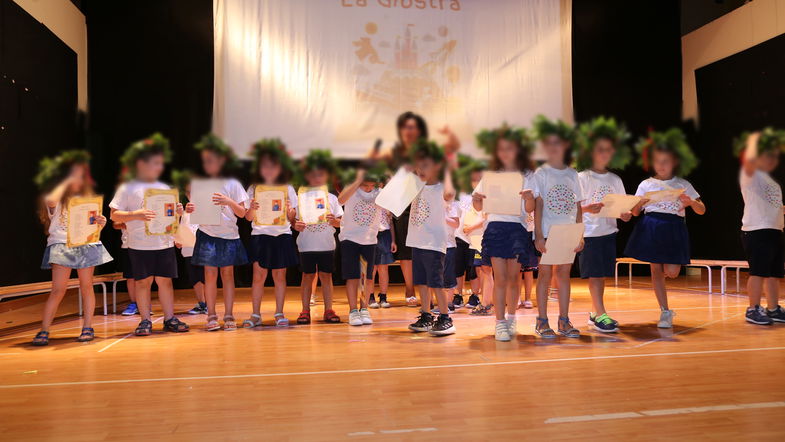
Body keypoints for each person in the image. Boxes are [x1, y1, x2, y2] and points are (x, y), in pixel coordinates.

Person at [109, 133, 191, 336]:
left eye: (159, 163)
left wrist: (178, 212)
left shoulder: (164, 188)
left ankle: (169, 318)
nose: (157, 167)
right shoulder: (128, 187)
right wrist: (135, 214)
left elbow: (170, 218)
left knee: (165, 281)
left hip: (163, 243)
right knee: (143, 282)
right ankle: (145, 320)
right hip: (139, 244)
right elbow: (113, 215)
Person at [625, 128, 705, 328]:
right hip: (651, 226)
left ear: (674, 163)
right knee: (655, 271)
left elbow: (702, 210)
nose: (661, 165)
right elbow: (634, 212)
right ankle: (665, 311)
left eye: (666, 161)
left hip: (673, 227)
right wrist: (641, 202)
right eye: (658, 161)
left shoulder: (682, 183)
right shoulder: (646, 184)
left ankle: (666, 309)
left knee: (672, 271)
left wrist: (690, 203)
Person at [32, 151, 113, 345]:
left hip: (86, 244)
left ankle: (88, 327)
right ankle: (44, 329)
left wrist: (101, 222)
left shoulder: (88, 199)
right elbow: (50, 201)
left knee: (87, 286)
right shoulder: (56, 196)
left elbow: (92, 226)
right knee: (58, 289)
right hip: (61, 244)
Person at [472, 125, 537, 341]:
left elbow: (529, 209)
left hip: (517, 229)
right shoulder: (490, 176)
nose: (506, 152)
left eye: (510, 148)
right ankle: (499, 322)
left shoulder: (527, 175)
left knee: (514, 278)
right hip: (496, 228)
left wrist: (529, 198)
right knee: (499, 278)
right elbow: (478, 205)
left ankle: (511, 318)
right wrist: (477, 198)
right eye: (502, 149)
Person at [575, 117, 633, 332]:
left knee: (601, 275)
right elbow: (572, 209)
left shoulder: (615, 179)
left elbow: (621, 207)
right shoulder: (582, 177)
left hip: (609, 231)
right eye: (600, 150)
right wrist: (588, 209)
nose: (604, 154)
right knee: (595, 275)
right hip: (589, 232)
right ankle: (601, 314)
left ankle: (595, 312)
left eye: (608, 150)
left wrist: (625, 215)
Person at [531, 115, 584, 339]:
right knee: (544, 275)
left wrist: (580, 235)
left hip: (569, 232)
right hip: (549, 232)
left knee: (564, 274)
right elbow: (538, 205)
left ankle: (564, 320)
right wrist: (539, 235)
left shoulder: (573, 174)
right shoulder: (541, 173)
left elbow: (579, 206)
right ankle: (542, 321)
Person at [190, 134, 248, 331]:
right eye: (206, 161)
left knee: (228, 274)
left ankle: (229, 314)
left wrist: (228, 201)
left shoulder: (233, 184)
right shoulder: (200, 184)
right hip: (207, 234)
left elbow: (242, 213)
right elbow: (196, 210)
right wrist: (191, 209)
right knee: (209, 274)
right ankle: (211, 315)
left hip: (229, 235)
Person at [244, 139, 299, 327]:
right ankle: (255, 314)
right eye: (265, 166)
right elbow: (248, 218)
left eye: (273, 166)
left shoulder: (288, 188)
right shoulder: (253, 189)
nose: (269, 170)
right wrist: (251, 208)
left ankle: (279, 313)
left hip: (282, 235)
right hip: (260, 235)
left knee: (280, 276)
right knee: (258, 277)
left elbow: (293, 219)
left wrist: (291, 211)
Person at [406, 140, 458, 336]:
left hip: (433, 242)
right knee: (421, 280)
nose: (421, 169)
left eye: (425, 165)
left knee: (436, 281)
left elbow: (450, 193)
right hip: (416, 240)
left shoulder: (442, 187)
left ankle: (445, 317)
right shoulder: (416, 186)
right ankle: (426, 315)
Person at [735, 129, 785, 324]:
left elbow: (773, 206)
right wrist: (756, 139)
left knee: (774, 274)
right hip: (756, 231)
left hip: (774, 230)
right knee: (758, 272)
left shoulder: (771, 181)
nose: (771, 159)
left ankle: (773, 309)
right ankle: (752, 308)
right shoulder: (750, 175)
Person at [293, 150, 343, 324]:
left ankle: (329, 310)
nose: (316, 178)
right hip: (306, 244)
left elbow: (340, 222)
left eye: (320, 174)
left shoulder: (331, 198)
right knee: (307, 276)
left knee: (326, 276)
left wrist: (334, 221)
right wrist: (295, 225)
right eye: (313, 174)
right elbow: (294, 221)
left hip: (326, 244)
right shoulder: (301, 198)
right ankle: (305, 310)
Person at [337, 168, 384, 326]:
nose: (369, 188)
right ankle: (353, 311)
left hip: (369, 239)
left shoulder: (379, 192)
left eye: (372, 185)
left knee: (367, 277)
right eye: (365, 185)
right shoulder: (352, 188)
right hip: (350, 238)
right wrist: (357, 180)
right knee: (352, 276)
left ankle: (364, 309)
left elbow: (396, 202)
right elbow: (341, 200)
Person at [171, 170, 206, 315]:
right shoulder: (184, 212)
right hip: (188, 250)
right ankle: (202, 303)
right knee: (195, 278)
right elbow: (180, 228)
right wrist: (178, 240)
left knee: (205, 277)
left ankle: (208, 303)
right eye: (189, 192)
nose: (192, 195)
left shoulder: (206, 209)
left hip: (203, 249)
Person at [454, 157, 484, 309]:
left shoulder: (483, 193)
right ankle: (458, 295)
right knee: (458, 268)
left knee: (474, 269)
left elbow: (486, 216)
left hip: (476, 237)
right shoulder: (459, 193)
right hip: (459, 236)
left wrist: (471, 228)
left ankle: (475, 295)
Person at [369, 206, 396, 309]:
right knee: (371, 269)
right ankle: (370, 296)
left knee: (383, 268)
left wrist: (393, 240)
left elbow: (391, 223)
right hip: (370, 234)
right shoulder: (368, 198)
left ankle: (383, 296)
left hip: (384, 235)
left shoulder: (386, 201)